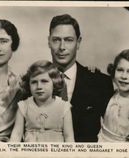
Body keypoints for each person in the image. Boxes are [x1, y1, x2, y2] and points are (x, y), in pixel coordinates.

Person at [48, 14, 114, 142]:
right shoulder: (34, 81)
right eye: (56, 40)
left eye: (68, 40)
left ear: (78, 42)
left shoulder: (100, 83)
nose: (62, 47)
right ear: (49, 42)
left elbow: (114, 132)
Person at [10, 60, 74, 142]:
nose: (39, 86)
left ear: (54, 82)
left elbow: (69, 137)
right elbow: (17, 134)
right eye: (34, 82)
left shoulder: (64, 107)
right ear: (28, 85)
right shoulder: (24, 106)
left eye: (44, 81)